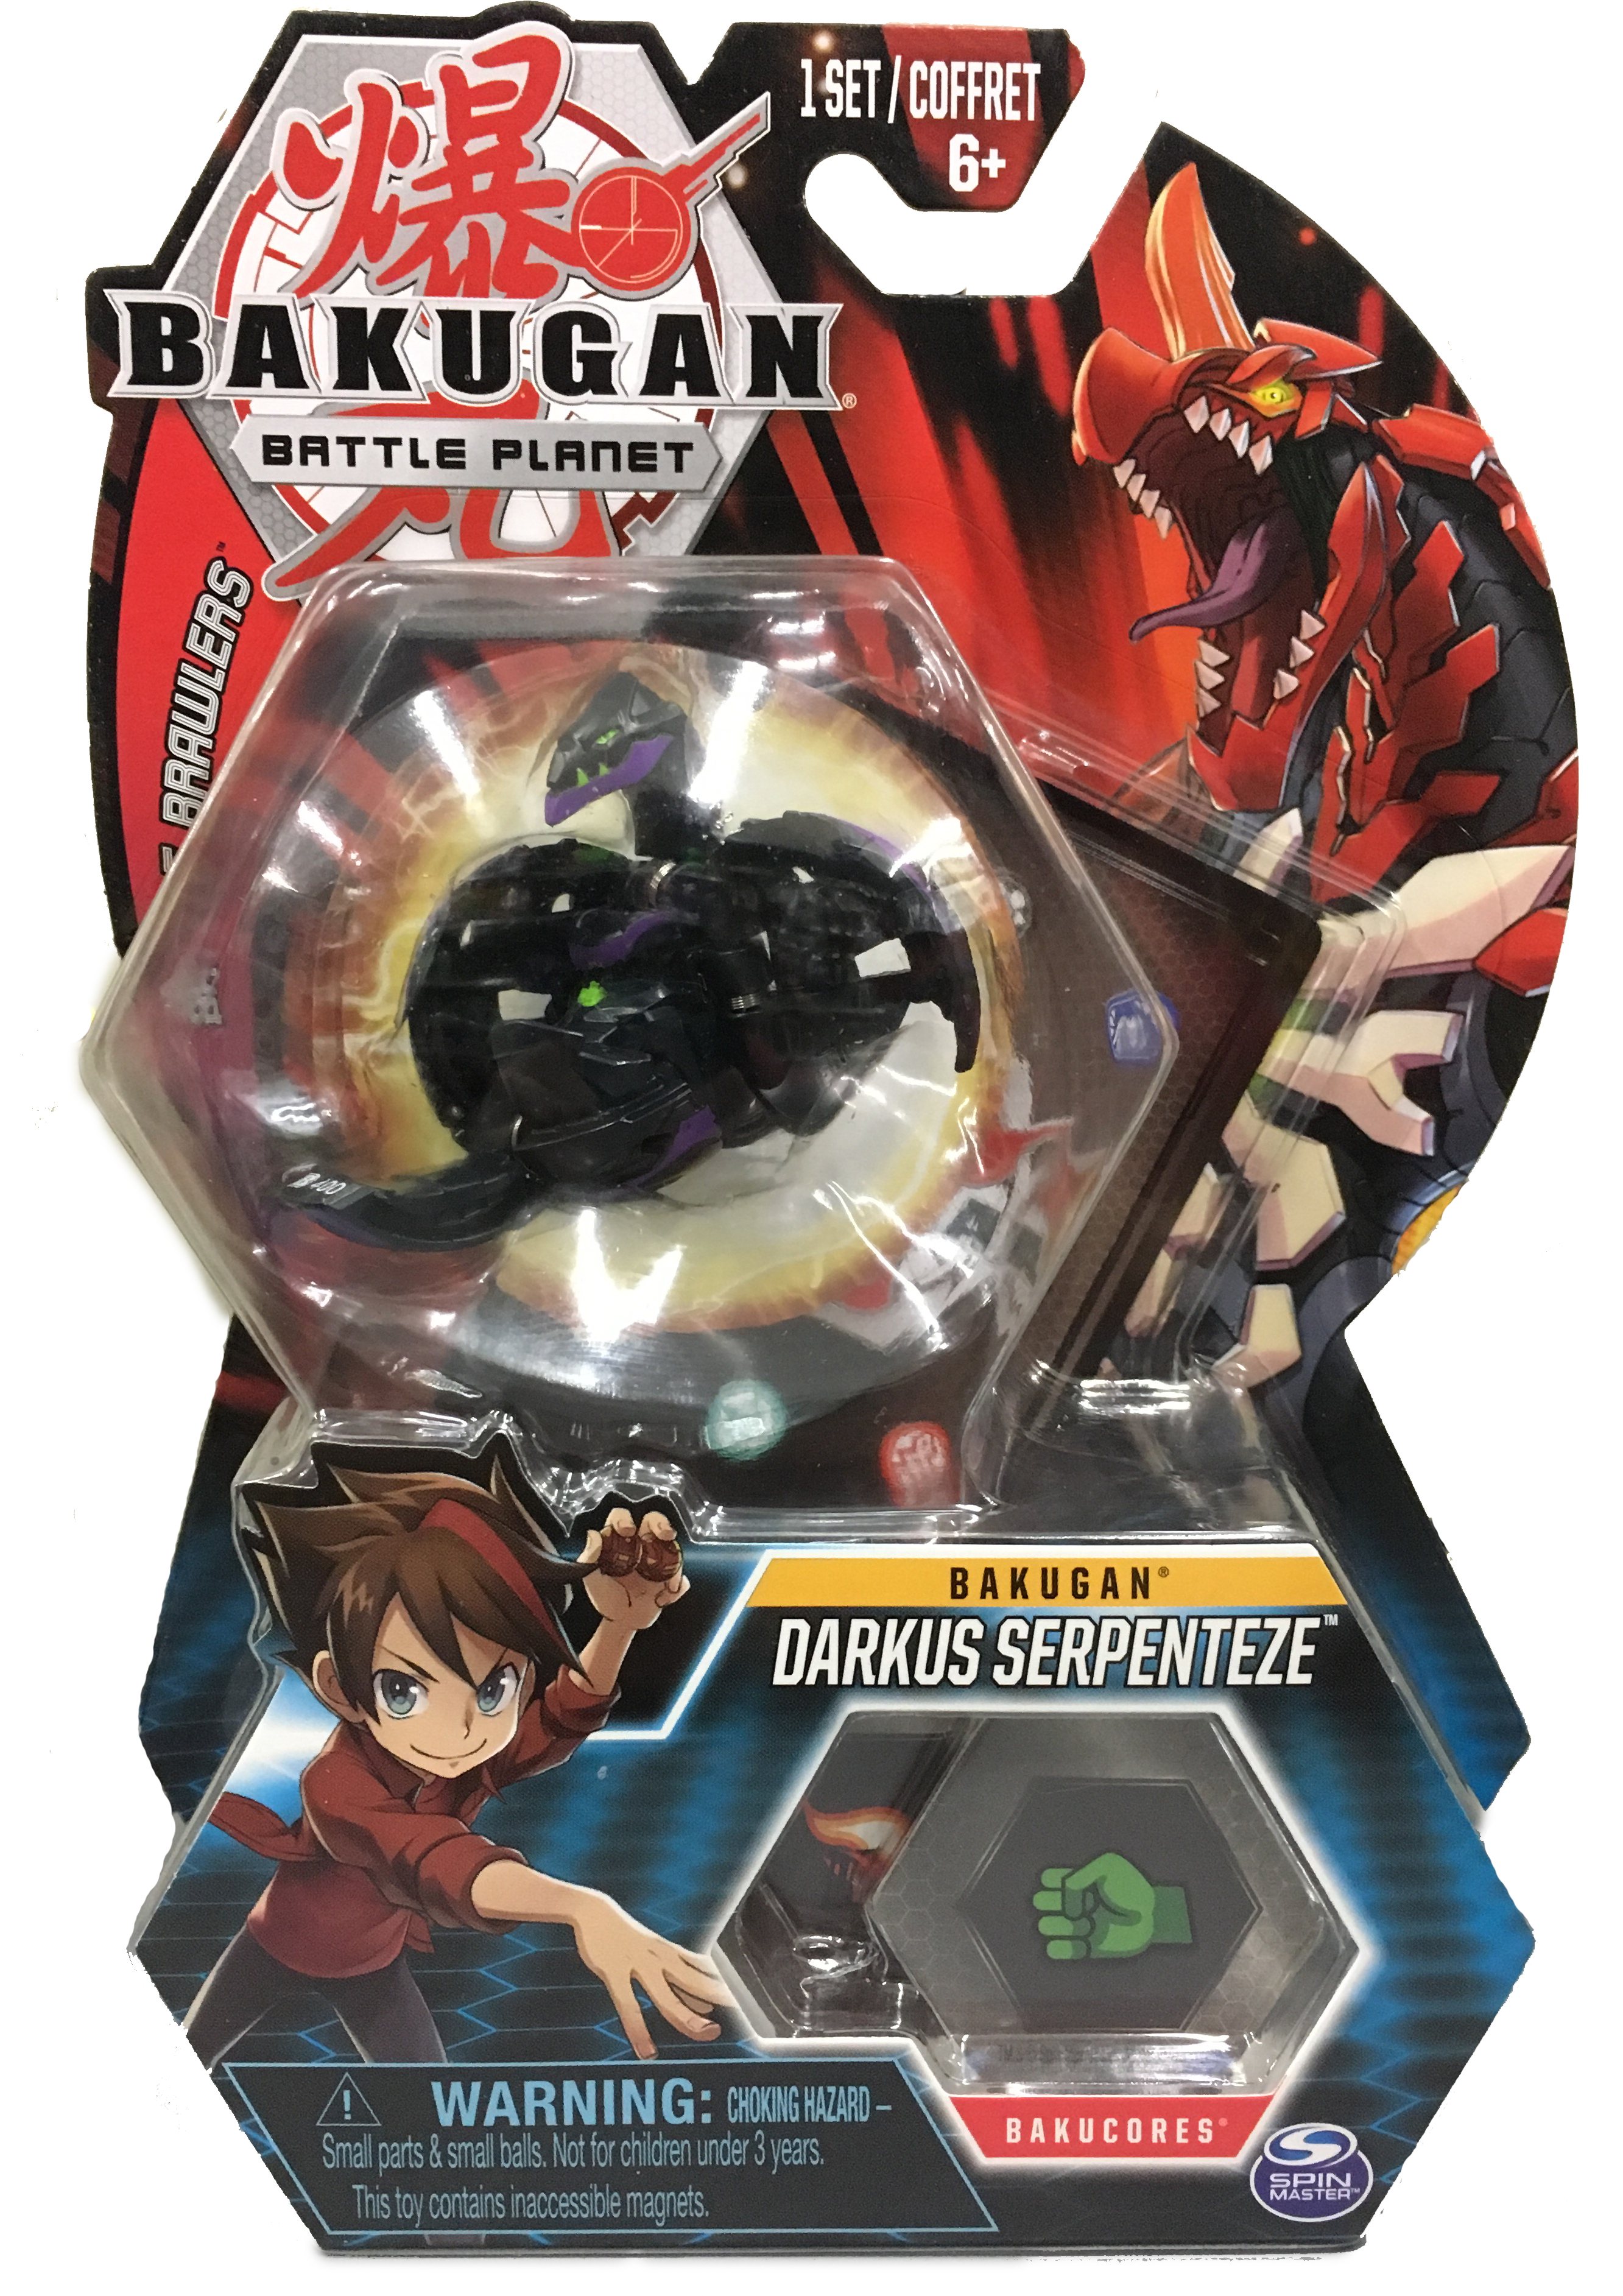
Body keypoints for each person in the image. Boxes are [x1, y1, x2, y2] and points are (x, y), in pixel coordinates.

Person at [185, 1451, 727, 2067]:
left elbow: (555, 1721)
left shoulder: (462, 1758)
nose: (464, 1727)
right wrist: (580, 1906)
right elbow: (437, 1861)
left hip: (374, 1964)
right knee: (182, 2060)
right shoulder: (336, 1782)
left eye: (495, 1688)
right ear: (339, 1687)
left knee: (429, 2092)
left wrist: (617, 1626)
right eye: (404, 1690)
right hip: (275, 1944)